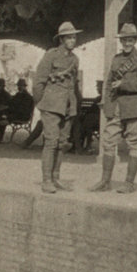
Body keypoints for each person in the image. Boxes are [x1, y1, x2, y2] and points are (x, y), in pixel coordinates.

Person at [91, 23, 137, 194]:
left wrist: (124, 84)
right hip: (117, 107)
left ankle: (129, 183)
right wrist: (107, 105)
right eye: (124, 40)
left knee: (133, 145)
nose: (127, 43)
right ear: (121, 41)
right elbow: (109, 83)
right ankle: (105, 181)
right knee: (108, 142)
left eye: (130, 40)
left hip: (134, 109)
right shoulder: (116, 59)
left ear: (135, 40)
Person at [33, 21, 82, 194]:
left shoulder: (75, 59)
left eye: (74, 37)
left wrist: (75, 104)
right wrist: (41, 103)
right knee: (51, 142)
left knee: (62, 143)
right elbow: (38, 82)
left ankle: (56, 177)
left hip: (68, 106)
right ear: (61, 39)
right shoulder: (51, 56)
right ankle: (46, 180)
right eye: (69, 37)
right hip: (52, 106)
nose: (72, 40)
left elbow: (74, 85)